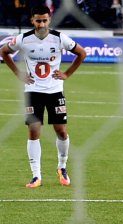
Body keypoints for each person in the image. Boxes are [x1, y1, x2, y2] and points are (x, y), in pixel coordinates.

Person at [0, 4, 86, 189]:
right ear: (32, 20)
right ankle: (36, 175)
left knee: (61, 130)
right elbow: (4, 52)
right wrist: (18, 73)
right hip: (33, 91)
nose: (41, 24)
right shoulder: (23, 39)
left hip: (55, 90)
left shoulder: (59, 38)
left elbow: (81, 53)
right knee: (33, 130)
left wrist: (67, 74)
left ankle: (62, 167)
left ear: (50, 20)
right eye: (38, 20)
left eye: (44, 20)